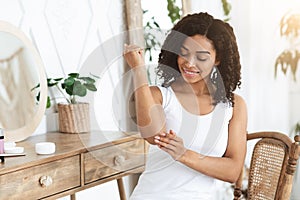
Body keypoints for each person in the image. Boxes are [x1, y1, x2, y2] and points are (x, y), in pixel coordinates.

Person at [123, 12, 247, 199]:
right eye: (184, 53)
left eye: (201, 57)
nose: (189, 63)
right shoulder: (160, 96)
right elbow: (153, 135)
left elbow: (232, 172)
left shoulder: (234, 106)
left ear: (218, 59)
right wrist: (138, 69)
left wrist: (184, 154)